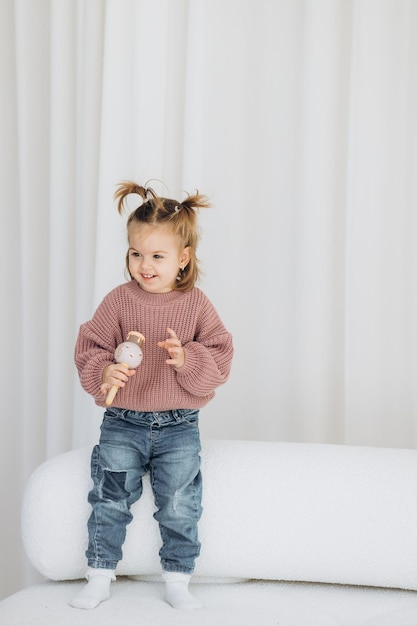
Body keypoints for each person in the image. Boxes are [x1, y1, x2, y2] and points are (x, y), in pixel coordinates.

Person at [70, 180, 233, 611]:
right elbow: (90, 345)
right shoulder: (119, 301)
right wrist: (105, 370)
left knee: (179, 503)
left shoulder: (196, 304)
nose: (145, 265)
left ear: (183, 259)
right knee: (110, 497)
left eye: (157, 256)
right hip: (123, 421)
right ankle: (100, 573)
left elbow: (221, 356)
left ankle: (178, 579)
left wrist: (188, 359)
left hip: (179, 424)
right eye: (136, 253)